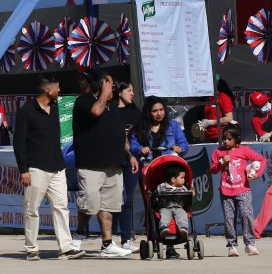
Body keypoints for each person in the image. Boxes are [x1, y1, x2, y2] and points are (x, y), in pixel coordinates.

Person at [13, 76, 85, 261]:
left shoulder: (54, 109)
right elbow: (18, 143)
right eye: (58, 88)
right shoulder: (26, 111)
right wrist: (23, 169)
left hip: (57, 167)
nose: (59, 91)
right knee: (32, 209)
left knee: (61, 207)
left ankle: (66, 248)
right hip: (35, 168)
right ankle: (32, 249)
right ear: (48, 90)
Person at [72, 69, 137, 258]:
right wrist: (104, 94)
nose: (113, 86)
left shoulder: (113, 107)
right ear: (99, 84)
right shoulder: (84, 101)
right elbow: (95, 111)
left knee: (109, 205)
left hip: (114, 163)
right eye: (108, 82)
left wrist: (129, 154)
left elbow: (120, 134)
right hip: (91, 163)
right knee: (89, 203)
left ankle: (107, 244)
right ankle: (78, 236)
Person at [129, 96, 189, 259]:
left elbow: (185, 145)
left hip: (168, 170)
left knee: (173, 205)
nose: (158, 113)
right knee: (151, 207)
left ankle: (171, 245)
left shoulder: (173, 127)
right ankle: (153, 241)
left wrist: (179, 148)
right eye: (154, 111)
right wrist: (141, 149)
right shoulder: (140, 129)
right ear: (148, 112)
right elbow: (133, 145)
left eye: (161, 110)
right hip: (149, 172)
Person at [210, 123, 266, 257]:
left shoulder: (244, 150)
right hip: (226, 191)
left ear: (237, 139)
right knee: (229, 218)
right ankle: (232, 245)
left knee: (247, 215)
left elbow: (261, 159)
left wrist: (257, 174)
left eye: (229, 139)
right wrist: (222, 161)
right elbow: (212, 169)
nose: (225, 141)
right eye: (224, 138)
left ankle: (250, 244)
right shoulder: (219, 152)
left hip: (243, 190)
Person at [113, 81, 141, 253]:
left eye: (133, 90)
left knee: (128, 198)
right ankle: (108, 239)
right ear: (119, 92)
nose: (132, 94)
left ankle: (126, 238)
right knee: (112, 199)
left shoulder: (135, 112)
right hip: (113, 159)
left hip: (132, 160)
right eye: (129, 90)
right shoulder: (111, 111)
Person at [156, 165, 193, 240]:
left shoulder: (183, 188)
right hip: (165, 207)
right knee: (164, 215)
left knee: (183, 214)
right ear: (173, 179)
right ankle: (163, 228)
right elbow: (156, 195)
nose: (184, 180)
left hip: (178, 207)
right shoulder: (162, 186)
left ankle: (183, 229)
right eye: (182, 178)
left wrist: (191, 192)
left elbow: (187, 196)